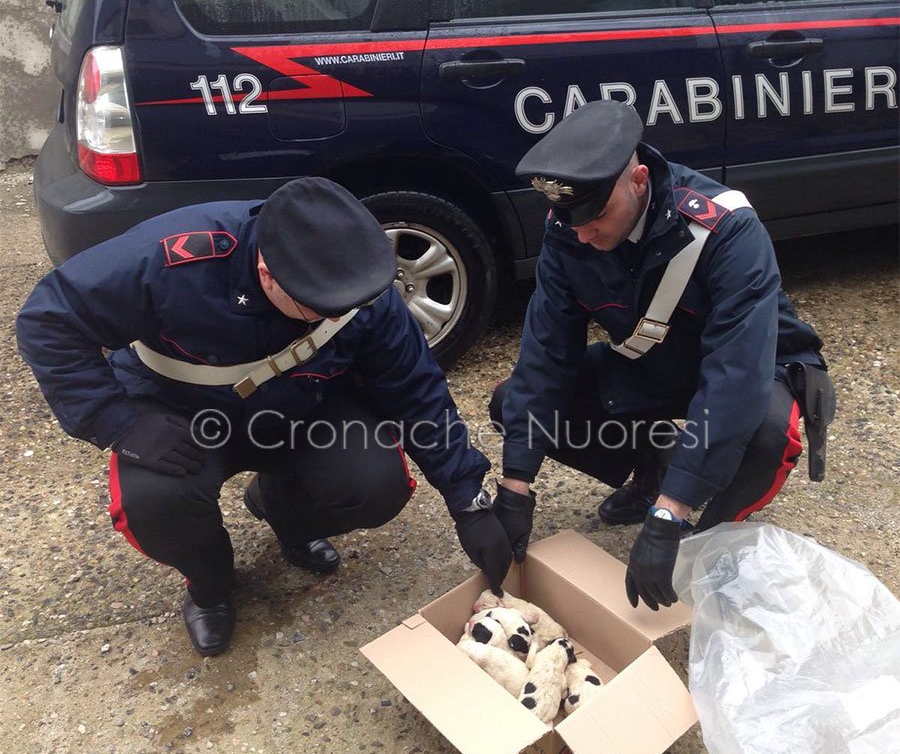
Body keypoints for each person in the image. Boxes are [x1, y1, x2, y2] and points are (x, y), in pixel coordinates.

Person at [17, 178, 512, 655]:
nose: (336, 317)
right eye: (320, 309)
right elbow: (49, 319)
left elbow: (416, 390)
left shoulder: (356, 281)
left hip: (301, 403)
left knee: (375, 485)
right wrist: (117, 421)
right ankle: (210, 584)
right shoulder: (171, 256)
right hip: (177, 409)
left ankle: (286, 514)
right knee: (153, 505)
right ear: (269, 274)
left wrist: (468, 500)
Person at [490, 101, 833, 612]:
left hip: (757, 368)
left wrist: (671, 517)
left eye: (597, 216)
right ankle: (653, 467)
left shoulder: (728, 229)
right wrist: (515, 485)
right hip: (657, 361)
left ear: (640, 181)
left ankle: (711, 536)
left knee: (763, 435)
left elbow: (735, 376)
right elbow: (546, 355)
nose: (584, 234)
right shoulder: (570, 230)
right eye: (571, 221)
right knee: (509, 403)